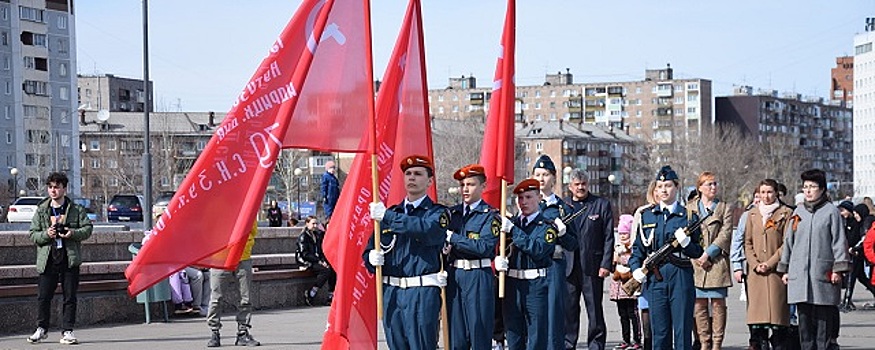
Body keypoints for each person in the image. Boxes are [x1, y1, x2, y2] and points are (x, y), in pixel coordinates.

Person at [363, 154, 450, 350]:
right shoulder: (391, 213)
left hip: (421, 291)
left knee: (421, 345)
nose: (411, 177)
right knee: (396, 345)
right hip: (391, 291)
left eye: (418, 174)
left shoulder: (438, 213)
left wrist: (388, 216)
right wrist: (371, 258)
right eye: (408, 173)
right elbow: (372, 248)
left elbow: (426, 230)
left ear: (429, 181)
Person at [629, 166, 703, 350]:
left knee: (682, 331)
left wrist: (686, 244)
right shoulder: (647, 216)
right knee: (659, 333)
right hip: (656, 278)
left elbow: (698, 252)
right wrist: (636, 269)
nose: (663, 190)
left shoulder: (688, 216)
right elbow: (638, 248)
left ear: (676, 187)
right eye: (660, 186)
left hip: (680, 276)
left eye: (668, 185)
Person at [778, 169, 851, 349]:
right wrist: (785, 268)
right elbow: (789, 241)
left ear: (822, 189)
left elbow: (839, 241)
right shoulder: (799, 212)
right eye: (805, 187)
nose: (808, 191)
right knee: (804, 323)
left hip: (822, 275)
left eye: (812, 187)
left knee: (822, 323)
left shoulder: (831, 212)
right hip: (800, 275)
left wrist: (838, 269)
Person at [26, 172, 94, 345]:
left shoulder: (75, 209)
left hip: (68, 257)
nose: (53, 190)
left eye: (57, 187)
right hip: (48, 258)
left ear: (64, 188)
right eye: (50, 187)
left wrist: (72, 233)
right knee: (43, 296)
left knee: (69, 296)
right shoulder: (42, 209)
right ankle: (41, 329)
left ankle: (68, 331)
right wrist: (46, 234)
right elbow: (33, 234)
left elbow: (87, 229)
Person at [494, 179, 559, 350]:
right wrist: (497, 262)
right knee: (513, 335)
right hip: (512, 285)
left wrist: (514, 231)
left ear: (539, 198)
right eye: (520, 198)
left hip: (535, 286)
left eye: (528, 197)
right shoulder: (510, 224)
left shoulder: (547, 226)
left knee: (537, 337)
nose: (523, 202)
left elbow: (537, 249)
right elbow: (498, 248)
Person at [445, 164, 499, 350]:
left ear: (483, 187)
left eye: (470, 184)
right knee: (456, 336)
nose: (465, 189)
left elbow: (483, 247)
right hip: (455, 275)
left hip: (478, 275)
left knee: (479, 333)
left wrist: (453, 238)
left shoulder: (490, 216)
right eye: (462, 185)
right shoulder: (453, 214)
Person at [530, 155, 580, 350]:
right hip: (531, 266)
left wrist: (564, 232)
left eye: (545, 174)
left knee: (553, 317)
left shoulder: (563, 209)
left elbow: (573, 244)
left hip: (553, 265)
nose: (541, 179)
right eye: (537, 174)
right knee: (534, 317)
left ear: (554, 178)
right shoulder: (526, 204)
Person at [564, 168, 613, 350]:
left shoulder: (601, 205)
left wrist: (606, 264)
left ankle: (596, 344)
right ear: (570, 186)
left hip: (592, 266)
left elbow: (609, 237)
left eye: (583, 184)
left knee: (594, 309)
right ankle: (568, 343)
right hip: (568, 266)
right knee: (569, 309)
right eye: (576, 184)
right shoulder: (564, 206)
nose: (580, 187)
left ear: (588, 184)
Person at [743, 179, 794, 350]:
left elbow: (786, 243)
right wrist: (755, 264)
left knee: (778, 320)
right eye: (763, 192)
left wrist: (769, 263)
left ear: (776, 193)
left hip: (775, 274)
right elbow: (747, 243)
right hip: (756, 275)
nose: (766, 196)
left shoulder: (786, 213)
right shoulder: (752, 215)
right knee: (759, 324)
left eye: (769, 192)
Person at [687, 172, 733, 350]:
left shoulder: (723, 208)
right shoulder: (690, 208)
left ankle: (716, 344)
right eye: (708, 184)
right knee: (699, 305)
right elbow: (686, 234)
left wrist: (709, 254)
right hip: (696, 262)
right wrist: (698, 255)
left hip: (716, 262)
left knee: (718, 304)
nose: (713, 187)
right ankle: (704, 342)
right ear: (699, 188)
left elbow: (726, 234)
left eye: (715, 184)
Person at [206, 220, 260, 347]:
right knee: (216, 297)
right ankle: (214, 332)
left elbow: (253, 229)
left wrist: (247, 244)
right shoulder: (218, 208)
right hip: (220, 257)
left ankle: (243, 332)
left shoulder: (247, 206)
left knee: (245, 298)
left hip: (243, 255)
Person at [630, 180, 657, 350]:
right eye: (657, 189)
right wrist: (637, 270)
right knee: (646, 315)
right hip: (647, 268)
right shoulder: (643, 212)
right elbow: (636, 242)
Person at [608, 214, 641, 350]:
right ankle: (625, 339)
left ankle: (637, 339)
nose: (622, 236)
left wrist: (621, 257)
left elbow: (632, 261)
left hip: (630, 286)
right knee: (622, 314)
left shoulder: (633, 247)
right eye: (621, 233)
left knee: (633, 313)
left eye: (625, 233)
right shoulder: (617, 247)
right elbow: (612, 266)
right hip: (619, 287)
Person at [842, 204, 875, 310]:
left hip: (861, 254)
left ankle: (847, 301)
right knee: (862, 278)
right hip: (860, 253)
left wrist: (854, 249)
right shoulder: (857, 222)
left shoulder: (866, 223)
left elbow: (865, 240)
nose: (855, 215)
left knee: (851, 277)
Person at [298, 216, 336, 306]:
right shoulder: (304, 236)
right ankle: (312, 292)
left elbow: (320, 251)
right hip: (306, 261)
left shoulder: (316, 235)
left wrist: (323, 261)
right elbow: (305, 254)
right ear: (307, 224)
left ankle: (331, 295)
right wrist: (319, 261)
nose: (315, 226)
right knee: (325, 271)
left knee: (332, 269)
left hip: (316, 260)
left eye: (316, 224)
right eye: (313, 223)